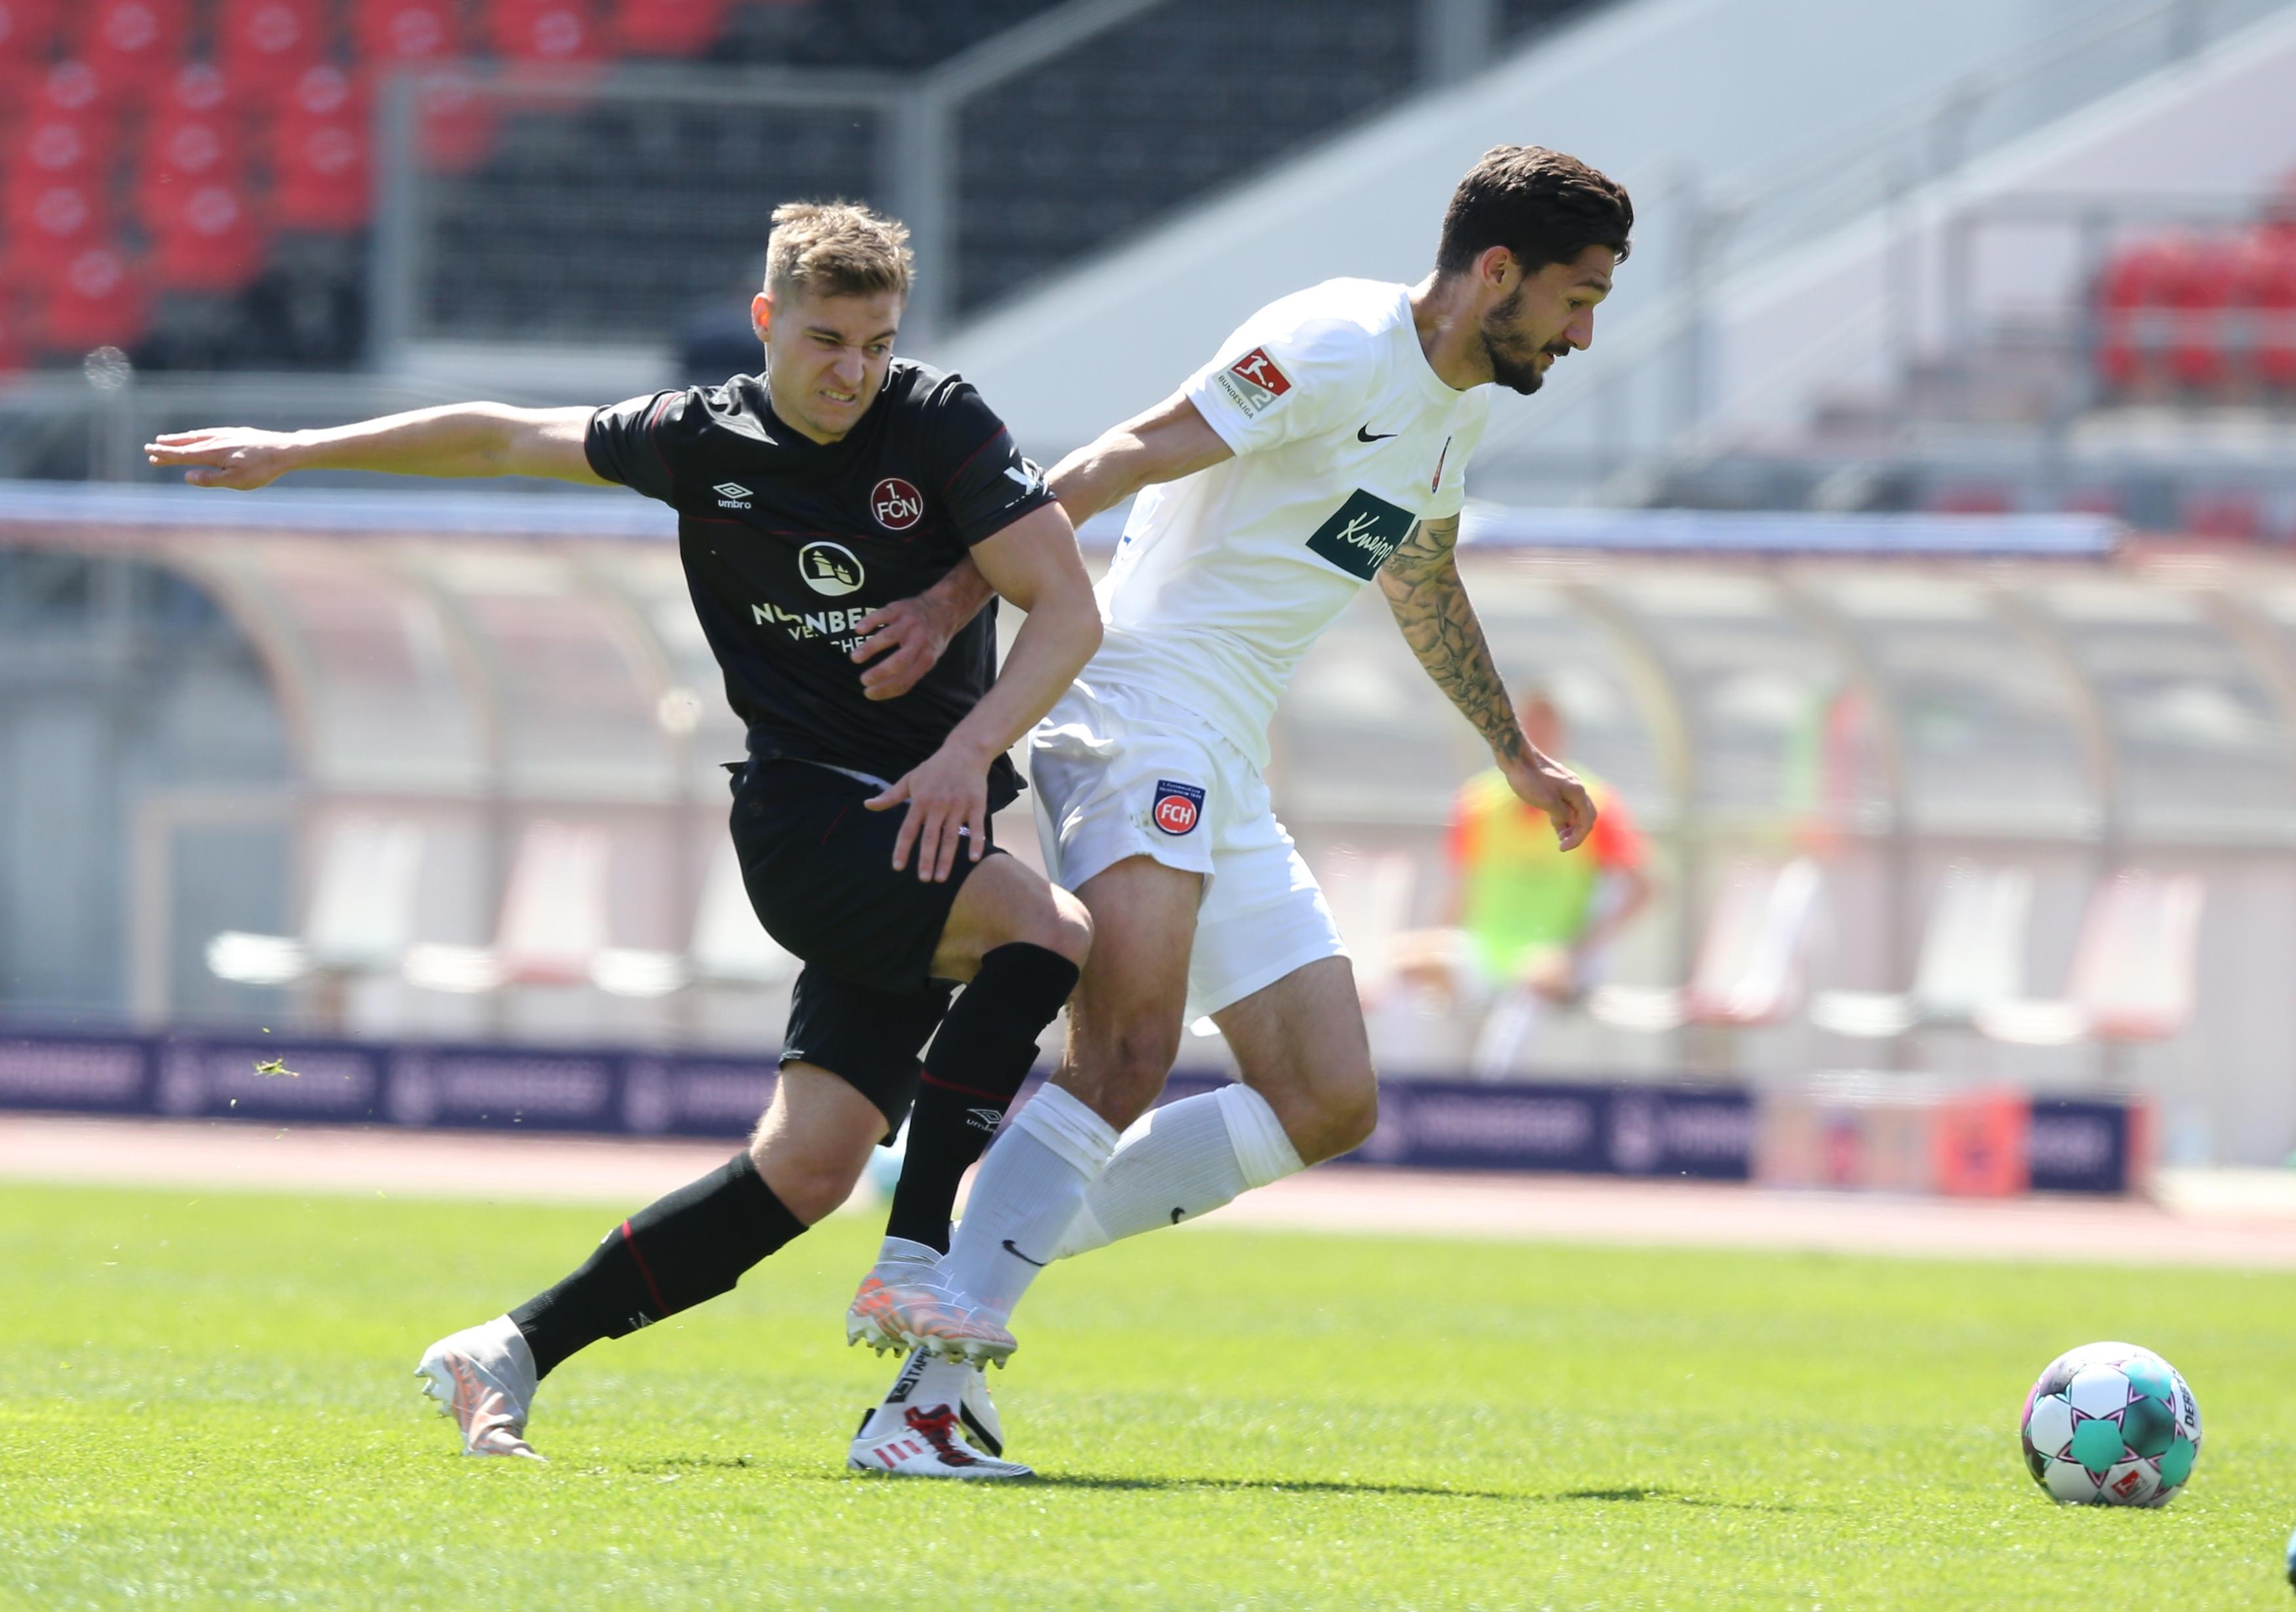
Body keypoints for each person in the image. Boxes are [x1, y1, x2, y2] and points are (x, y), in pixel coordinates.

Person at [145, 201, 1102, 1480]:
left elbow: (1069, 607)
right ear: (766, 321)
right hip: (814, 816)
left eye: (876, 343)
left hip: (921, 818)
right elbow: (501, 437)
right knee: (1047, 931)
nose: (853, 371)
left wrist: (968, 749)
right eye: (826, 340)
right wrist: (302, 449)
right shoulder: (698, 438)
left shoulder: (936, 422)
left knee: (805, 1166)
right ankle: (916, 1256)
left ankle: (508, 1348)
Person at [850, 146, 1635, 1455]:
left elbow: (1419, 575)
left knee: (1326, 1095)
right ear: (1498, 271)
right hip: (1139, 710)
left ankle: (976, 1235)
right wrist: (952, 595)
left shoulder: (1455, 410)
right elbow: (1123, 454)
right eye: (1577, 297)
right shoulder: (1332, 342)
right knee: (1127, 1047)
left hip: (1223, 751)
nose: (1585, 333)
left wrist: (1509, 748)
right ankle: (929, 1388)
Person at [1441, 688, 1655, 1076]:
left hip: (1556, 955)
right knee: (1400, 967)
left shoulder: (1592, 800)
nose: (1535, 743)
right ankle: (1393, 1096)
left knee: (1530, 983)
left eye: (1545, 730)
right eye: (1525, 731)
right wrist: (1445, 934)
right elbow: (1461, 888)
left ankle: (1491, 1096)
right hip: (1488, 951)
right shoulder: (1477, 802)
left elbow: (1642, 886)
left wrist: (1580, 950)